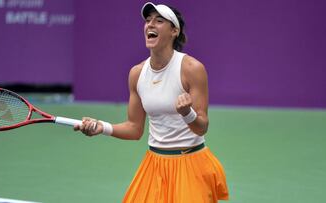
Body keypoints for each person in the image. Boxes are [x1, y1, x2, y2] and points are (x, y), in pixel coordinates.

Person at [74, 2, 229, 202]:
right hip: (154, 166)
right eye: (147, 21)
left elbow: (201, 127)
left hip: (191, 164)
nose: (150, 25)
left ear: (174, 31)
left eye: (159, 21)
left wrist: (187, 113)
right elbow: (134, 128)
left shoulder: (192, 68)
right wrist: (101, 127)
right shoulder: (137, 74)